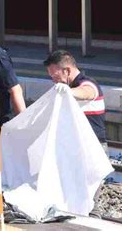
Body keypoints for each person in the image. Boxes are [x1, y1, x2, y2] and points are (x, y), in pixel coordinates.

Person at [43, 49, 107, 218]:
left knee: (90, 201)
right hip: (77, 147)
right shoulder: (65, 86)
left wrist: (67, 92)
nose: (53, 81)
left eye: (55, 77)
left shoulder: (87, 83)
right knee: (75, 197)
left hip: (93, 148)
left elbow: (87, 92)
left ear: (67, 71)